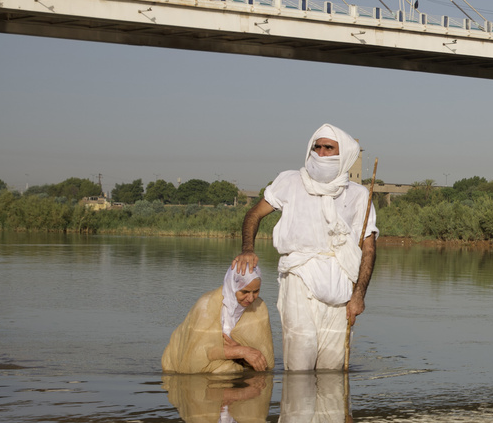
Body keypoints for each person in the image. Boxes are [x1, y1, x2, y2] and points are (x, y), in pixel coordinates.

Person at [234, 124, 377, 371]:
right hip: (298, 275)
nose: (320, 153)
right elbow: (254, 214)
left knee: (332, 370)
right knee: (299, 366)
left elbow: (369, 248)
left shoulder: (359, 195)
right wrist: (248, 248)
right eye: (316, 146)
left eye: (328, 148)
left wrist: (359, 295)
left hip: (342, 284)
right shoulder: (290, 181)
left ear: (342, 155)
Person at [161, 264, 273, 374]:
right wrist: (240, 351)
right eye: (244, 292)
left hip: (234, 360)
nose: (251, 298)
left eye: (256, 291)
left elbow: (265, 360)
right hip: (179, 363)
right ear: (232, 286)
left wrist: (239, 349)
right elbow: (197, 356)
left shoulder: (259, 307)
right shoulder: (206, 305)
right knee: (227, 370)